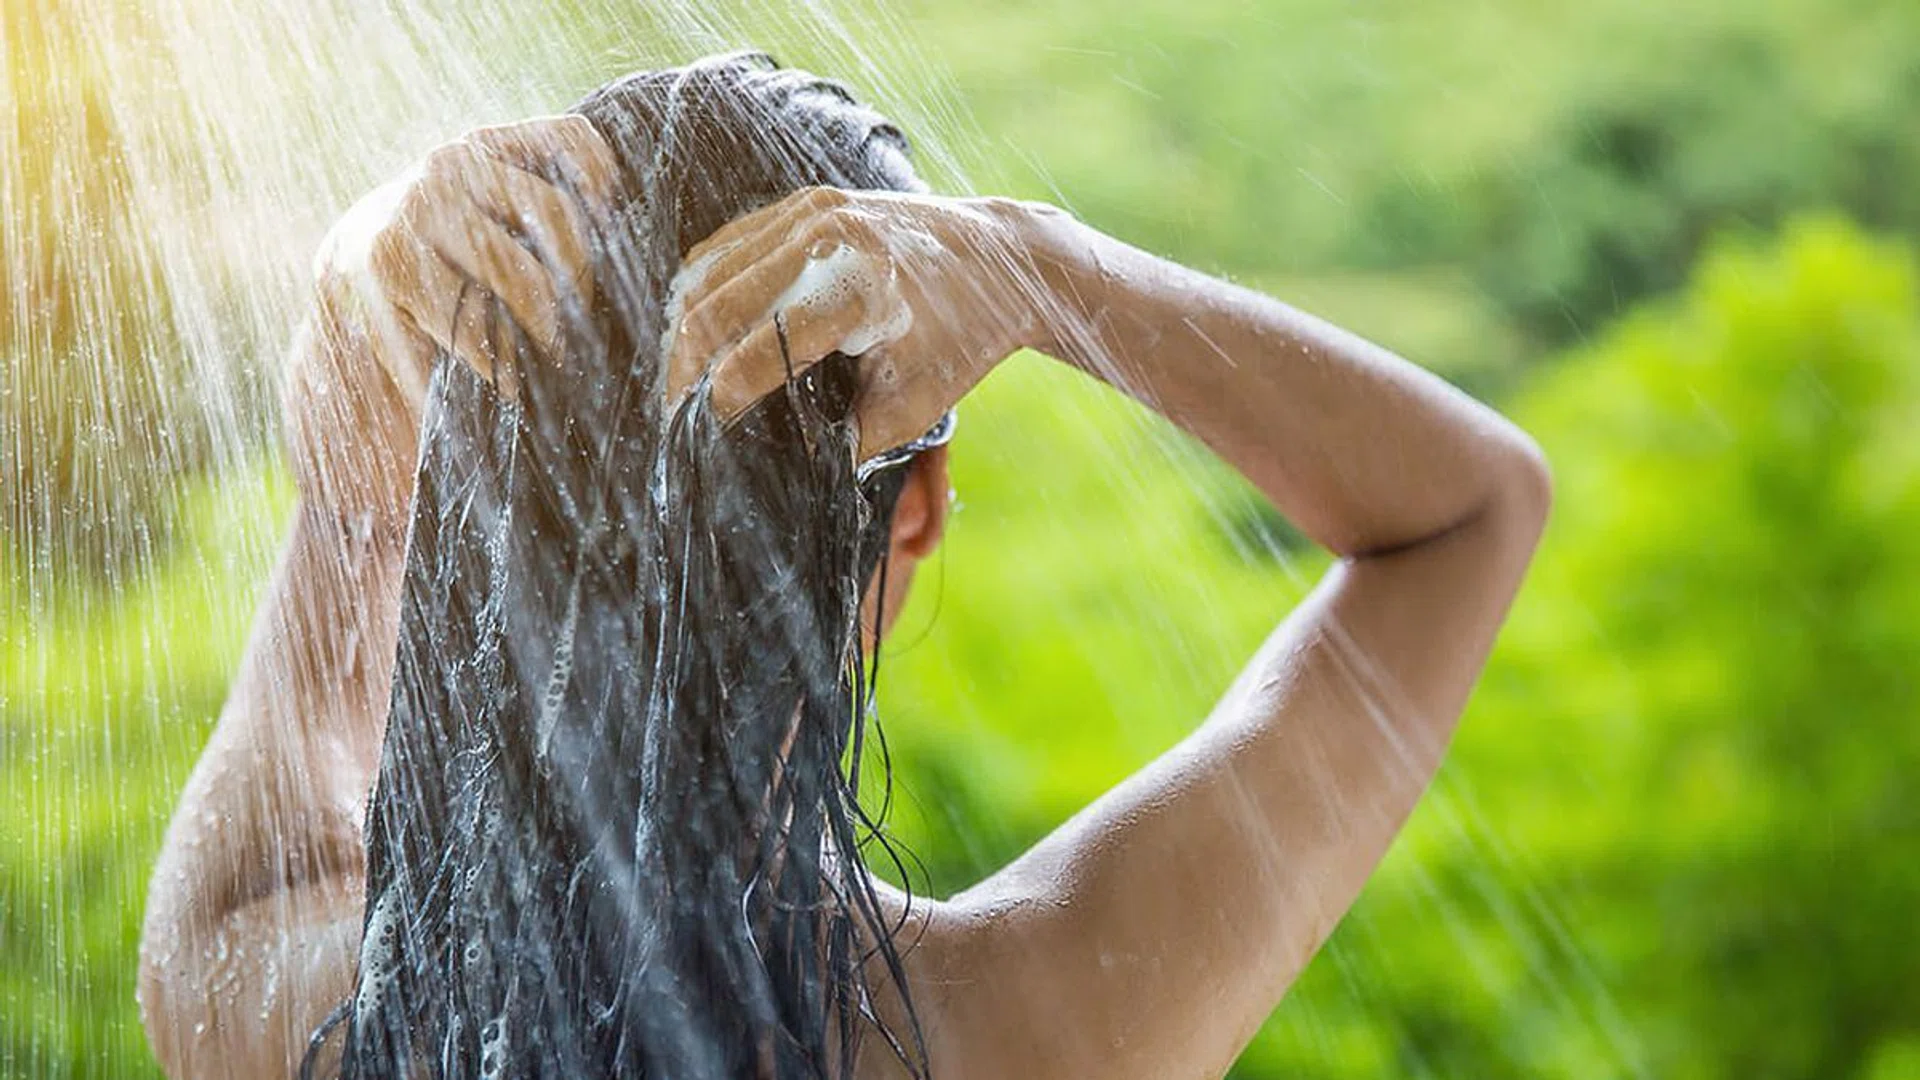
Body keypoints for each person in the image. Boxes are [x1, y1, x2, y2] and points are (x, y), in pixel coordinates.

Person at [139, 52, 1551, 1080]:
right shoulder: (1029, 1025)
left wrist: (367, 269)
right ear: (918, 509)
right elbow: (1472, 509)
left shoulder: (269, 993)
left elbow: (351, 511)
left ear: (484, 505)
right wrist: (1042, 271)